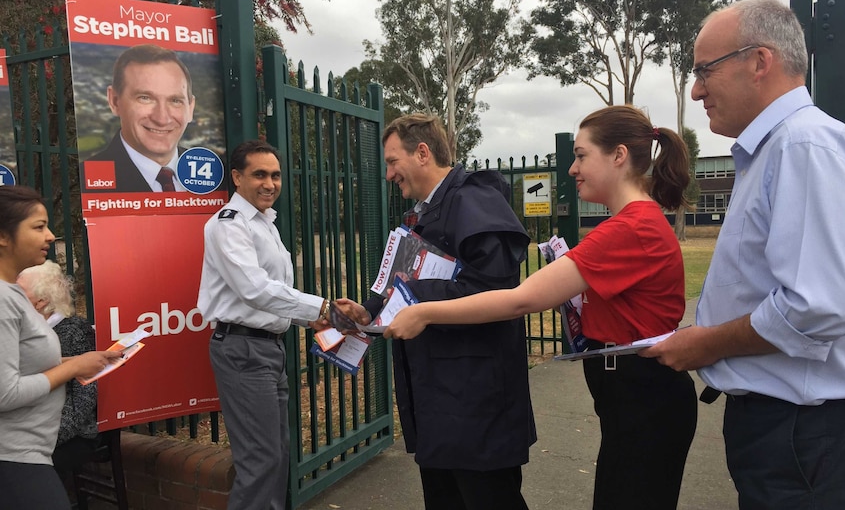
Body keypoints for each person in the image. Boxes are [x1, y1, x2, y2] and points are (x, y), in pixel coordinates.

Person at [379, 107, 697, 510]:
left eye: (581, 156)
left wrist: (424, 311)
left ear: (618, 155)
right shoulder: (630, 223)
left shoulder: (631, 227)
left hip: (643, 396)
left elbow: (521, 299)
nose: (572, 169)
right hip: (632, 397)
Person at [641, 0, 845, 508]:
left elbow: (819, 303)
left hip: (805, 434)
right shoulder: (773, 150)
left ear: (760, 62)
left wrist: (707, 344)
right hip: (789, 430)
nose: (696, 90)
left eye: (704, 71)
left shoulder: (802, 146)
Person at [338, 113, 537, 510]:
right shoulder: (427, 210)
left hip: (476, 403)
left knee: (486, 499)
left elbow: (494, 290)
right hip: (441, 400)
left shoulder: (473, 199)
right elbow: (409, 276)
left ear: (423, 153)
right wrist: (369, 312)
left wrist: (419, 304)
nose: (389, 173)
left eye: (393, 161)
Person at [197, 139, 344, 510]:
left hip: (267, 348)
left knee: (275, 455)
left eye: (275, 175)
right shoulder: (229, 225)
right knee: (260, 460)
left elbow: (274, 294)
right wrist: (319, 307)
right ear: (236, 177)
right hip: (243, 350)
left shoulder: (264, 223)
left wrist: (310, 316)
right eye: (259, 174)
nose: (270, 183)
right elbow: (254, 290)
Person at [0, 185, 121, 509]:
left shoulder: (11, 294)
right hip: (13, 457)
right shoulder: (3, 299)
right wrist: (74, 367)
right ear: (3, 236)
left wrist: (80, 359)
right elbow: (4, 393)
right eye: (38, 227)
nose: (51, 236)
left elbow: (21, 361)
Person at [17, 260, 99, 476]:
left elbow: (83, 400)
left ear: (40, 301)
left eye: (19, 291)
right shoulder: (25, 329)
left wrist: (43, 437)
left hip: (69, 435)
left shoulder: (74, 332)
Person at [86, 44, 195, 192]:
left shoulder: (214, 176)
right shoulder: (89, 181)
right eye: (145, 98)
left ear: (191, 108)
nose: (162, 118)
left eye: (175, 101)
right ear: (114, 101)